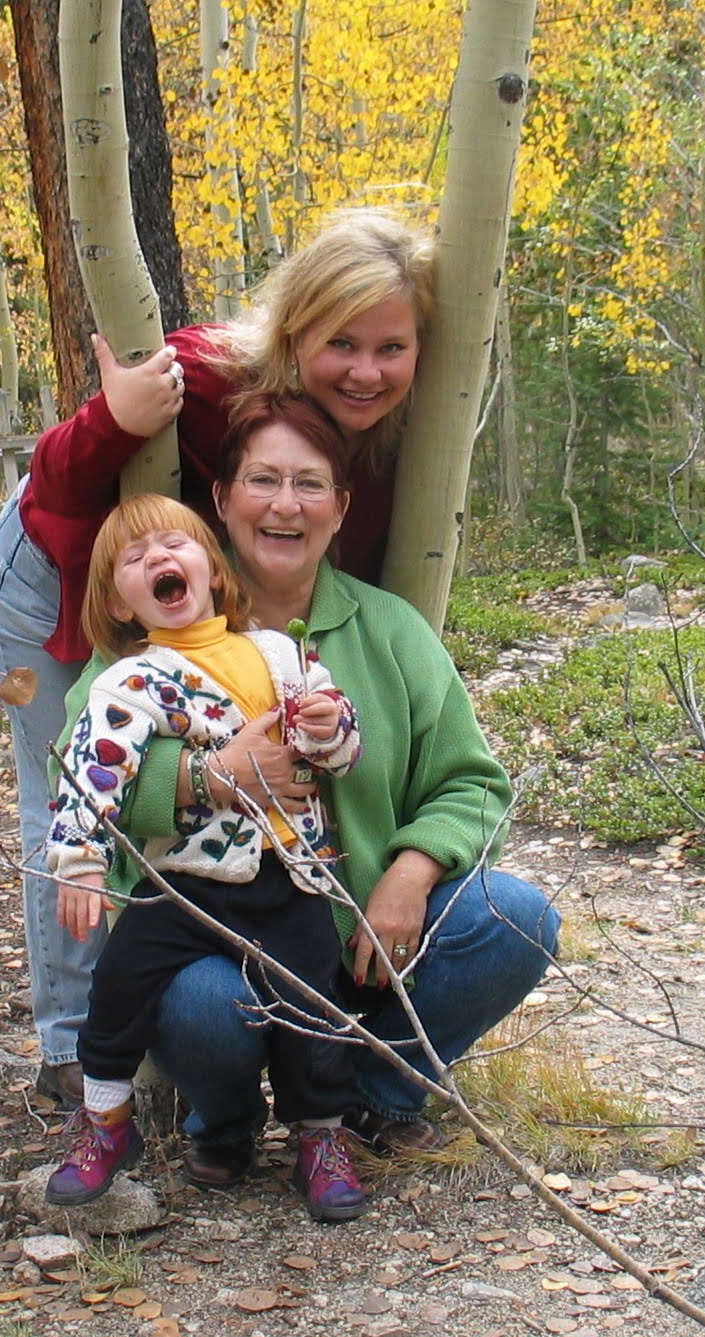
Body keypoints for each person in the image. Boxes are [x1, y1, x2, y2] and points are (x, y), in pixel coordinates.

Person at [0, 208, 435, 1104]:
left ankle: (179, 1001)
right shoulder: (206, 367)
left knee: (189, 768)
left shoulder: (397, 435)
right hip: (63, 575)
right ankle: (72, 1048)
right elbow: (62, 478)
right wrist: (115, 420)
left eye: (392, 347)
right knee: (76, 783)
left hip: (193, 610)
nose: (367, 369)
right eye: (341, 342)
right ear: (294, 326)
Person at [79, 394, 559, 1187]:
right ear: (224, 501)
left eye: (310, 484)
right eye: (263, 480)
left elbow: (475, 784)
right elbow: (80, 765)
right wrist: (210, 776)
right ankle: (224, 1122)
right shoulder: (157, 628)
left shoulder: (391, 629)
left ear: (339, 509)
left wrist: (409, 875)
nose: (285, 504)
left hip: (363, 947)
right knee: (202, 1004)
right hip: (213, 943)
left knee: (519, 917)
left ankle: (369, 1101)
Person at [43, 494, 369, 1221]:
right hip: (187, 881)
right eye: (136, 558)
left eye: (177, 544)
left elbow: (341, 754)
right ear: (121, 603)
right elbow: (96, 769)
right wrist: (82, 861)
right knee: (121, 980)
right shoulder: (129, 682)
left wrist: (325, 725)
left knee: (314, 1001)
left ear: (212, 570)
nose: (160, 558)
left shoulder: (280, 653)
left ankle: (320, 1138)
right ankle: (106, 1120)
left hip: (291, 874)